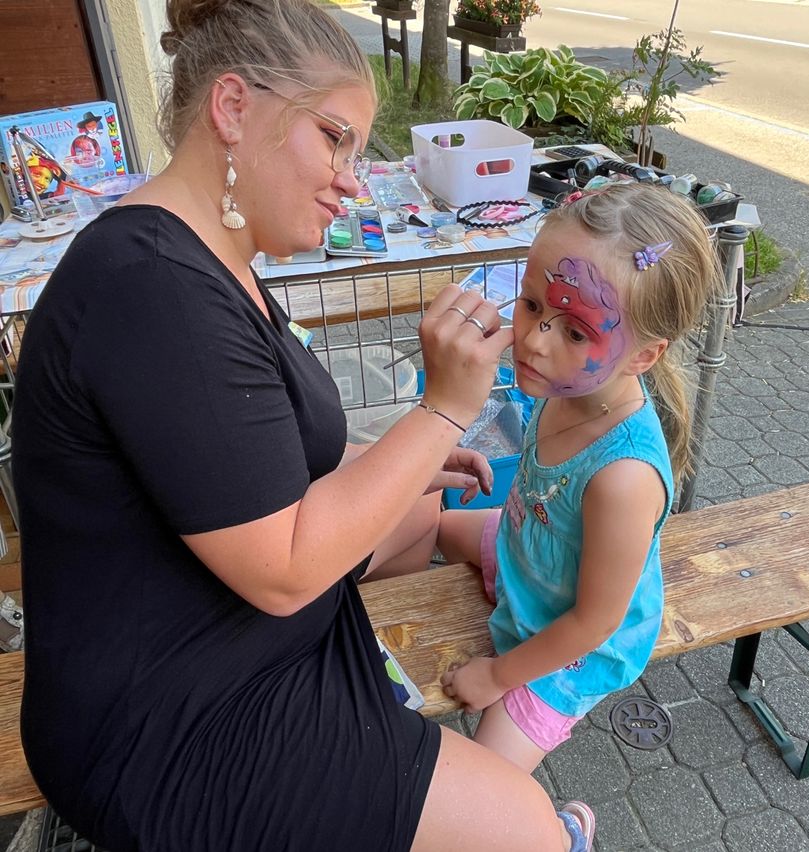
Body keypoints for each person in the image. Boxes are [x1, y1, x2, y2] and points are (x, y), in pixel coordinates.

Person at [12, 0, 591, 849]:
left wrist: (402, 458)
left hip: (208, 617)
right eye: (333, 137)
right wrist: (440, 409)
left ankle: (509, 556)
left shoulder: (213, 259)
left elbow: (252, 449)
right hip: (168, 719)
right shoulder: (150, 290)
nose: (354, 178)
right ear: (234, 108)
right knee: (528, 830)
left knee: (421, 512)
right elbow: (284, 570)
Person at [439, 183, 719, 774]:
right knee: (423, 525)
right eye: (533, 305)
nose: (533, 342)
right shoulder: (567, 384)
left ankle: (563, 832)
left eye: (574, 332)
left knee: (477, 787)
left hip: (571, 644)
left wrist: (496, 674)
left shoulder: (623, 478)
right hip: (527, 555)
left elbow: (595, 621)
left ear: (643, 356)